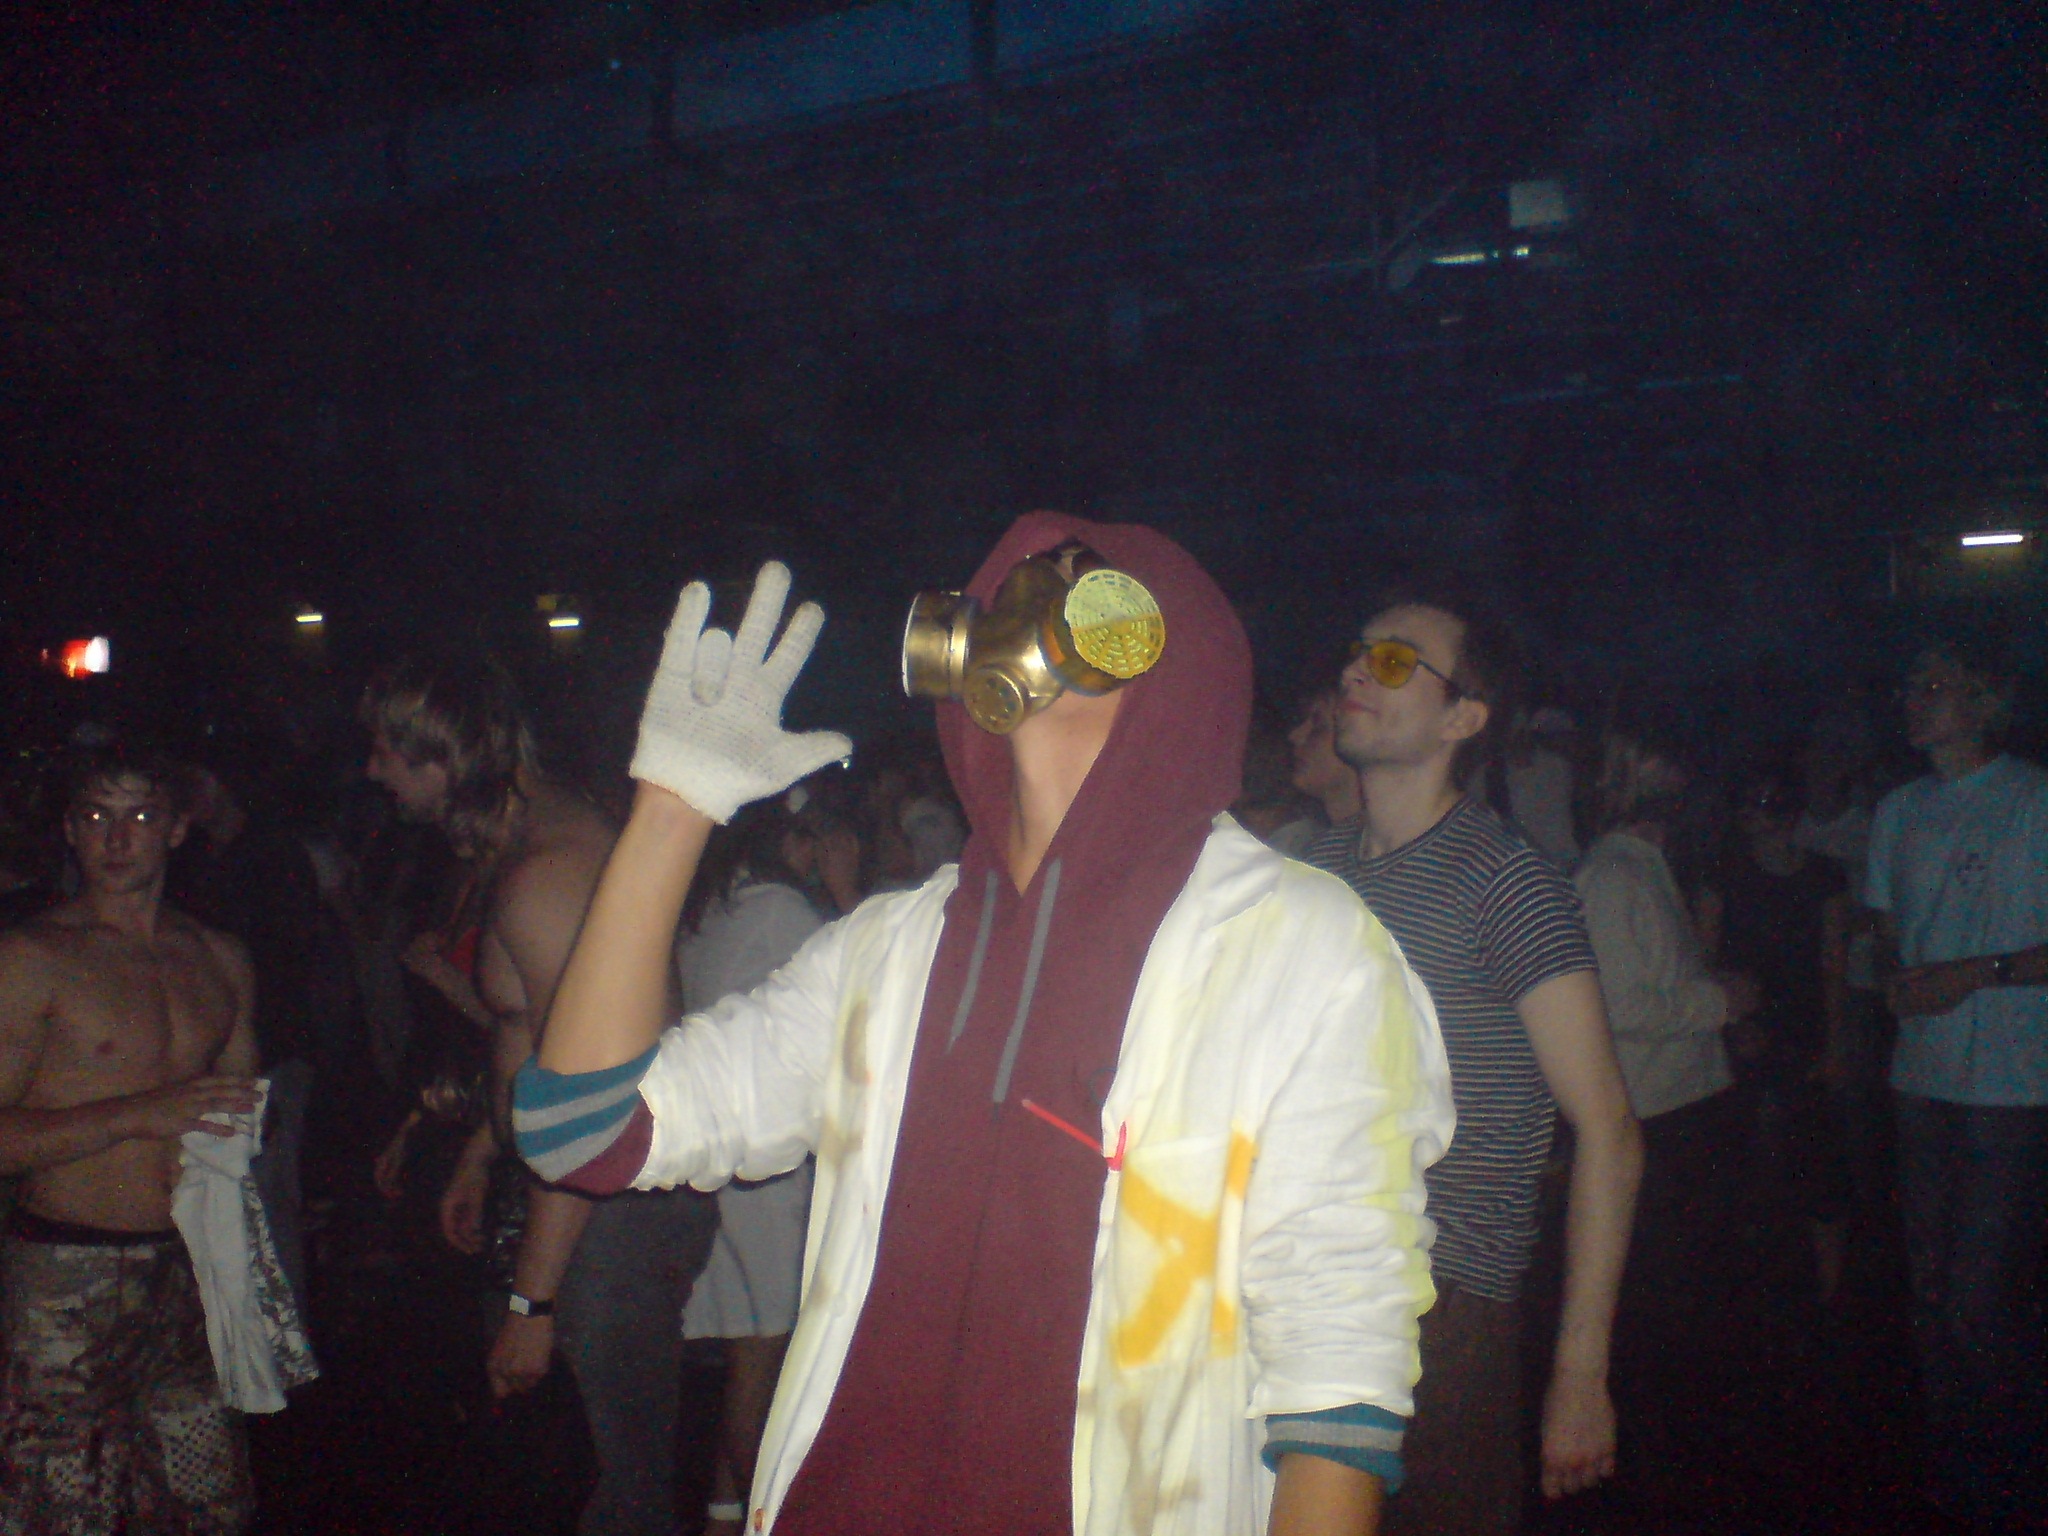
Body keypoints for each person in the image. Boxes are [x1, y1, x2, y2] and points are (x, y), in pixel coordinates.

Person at [517, 520, 1455, 1536]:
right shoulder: (887, 951)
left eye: (1078, 592)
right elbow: (583, 1129)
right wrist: (672, 809)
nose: (1029, 614)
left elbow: (1335, 1381)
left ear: (1161, 643)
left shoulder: (1300, 951)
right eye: (1008, 594)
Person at [1307, 591, 1642, 1535]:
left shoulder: (1505, 881)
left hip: (1442, 1306)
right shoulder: (1316, 875)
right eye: (1359, 651)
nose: (1355, 671)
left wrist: (1580, 1374)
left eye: (1395, 661)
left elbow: (1609, 1129)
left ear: (1463, 719)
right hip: (1306, 1282)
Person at [361, 654, 714, 1536]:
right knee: (557, 1467)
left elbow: (595, 1098)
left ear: (438, 754)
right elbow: (538, 1040)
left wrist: (533, 1302)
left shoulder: (549, 871)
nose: (371, 771)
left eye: (384, 751)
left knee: (607, 1485)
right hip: (575, 1194)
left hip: (609, 1210)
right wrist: (486, 1151)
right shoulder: (518, 846)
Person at [0, 746, 260, 1534]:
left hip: (189, 1268)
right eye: (96, 817)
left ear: (177, 828)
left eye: (140, 816)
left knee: (208, 1505)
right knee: (62, 1509)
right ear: (70, 830)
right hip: (66, 1273)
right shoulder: (32, 958)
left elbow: (240, 1114)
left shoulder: (220, 957)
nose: (117, 839)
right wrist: (136, 1113)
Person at [1865, 637, 2048, 1532]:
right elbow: (1885, 930)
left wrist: (1977, 973)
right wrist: (1890, 977)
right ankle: (1958, 1469)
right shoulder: (1899, 809)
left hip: (2012, 1086)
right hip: (1921, 1076)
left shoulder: (2034, 799)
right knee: (1931, 1290)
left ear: (1983, 700)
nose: (1914, 698)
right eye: (1911, 683)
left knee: (1982, 1298)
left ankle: (2014, 1475)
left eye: (1934, 684)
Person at [673, 799, 834, 1535]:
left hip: (735, 1159)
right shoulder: (780, 911)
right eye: (807, 836)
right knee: (766, 1354)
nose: (816, 850)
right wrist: (845, 888)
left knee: (751, 1341)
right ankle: (767, 1517)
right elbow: (861, 1013)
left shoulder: (717, 903)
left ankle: (724, 1512)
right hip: (772, 1173)